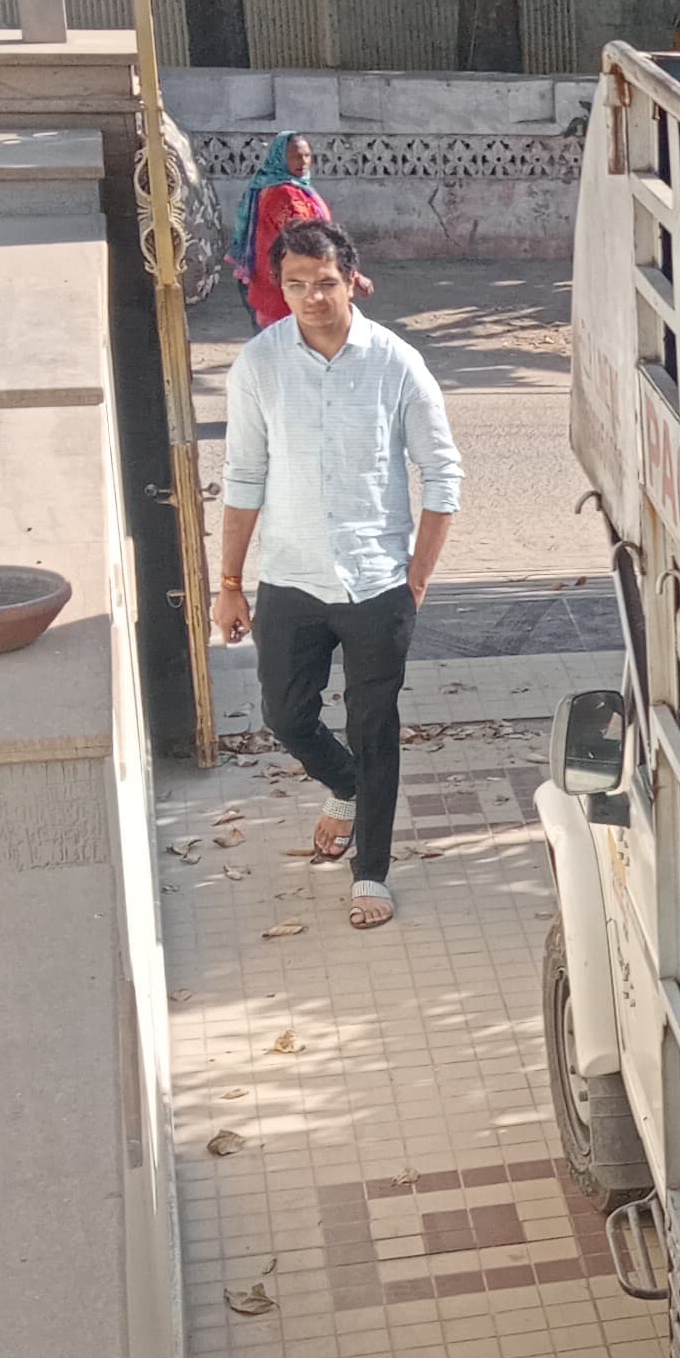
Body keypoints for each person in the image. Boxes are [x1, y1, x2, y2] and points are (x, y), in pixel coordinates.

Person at [213, 221, 463, 929]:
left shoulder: (396, 363)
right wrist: (229, 582)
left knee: (373, 723)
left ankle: (372, 873)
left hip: (377, 582)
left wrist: (415, 580)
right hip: (289, 580)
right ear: (279, 287)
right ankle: (349, 788)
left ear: (350, 279)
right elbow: (242, 475)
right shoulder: (260, 364)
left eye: (324, 282)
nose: (312, 297)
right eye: (296, 285)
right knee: (285, 716)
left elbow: (443, 475)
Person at [231, 131, 335, 329]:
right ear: (280, 158)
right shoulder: (283, 193)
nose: (303, 161)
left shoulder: (299, 188)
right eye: (295, 156)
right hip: (282, 289)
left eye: (306, 155)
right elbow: (306, 240)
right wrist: (346, 273)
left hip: (284, 284)